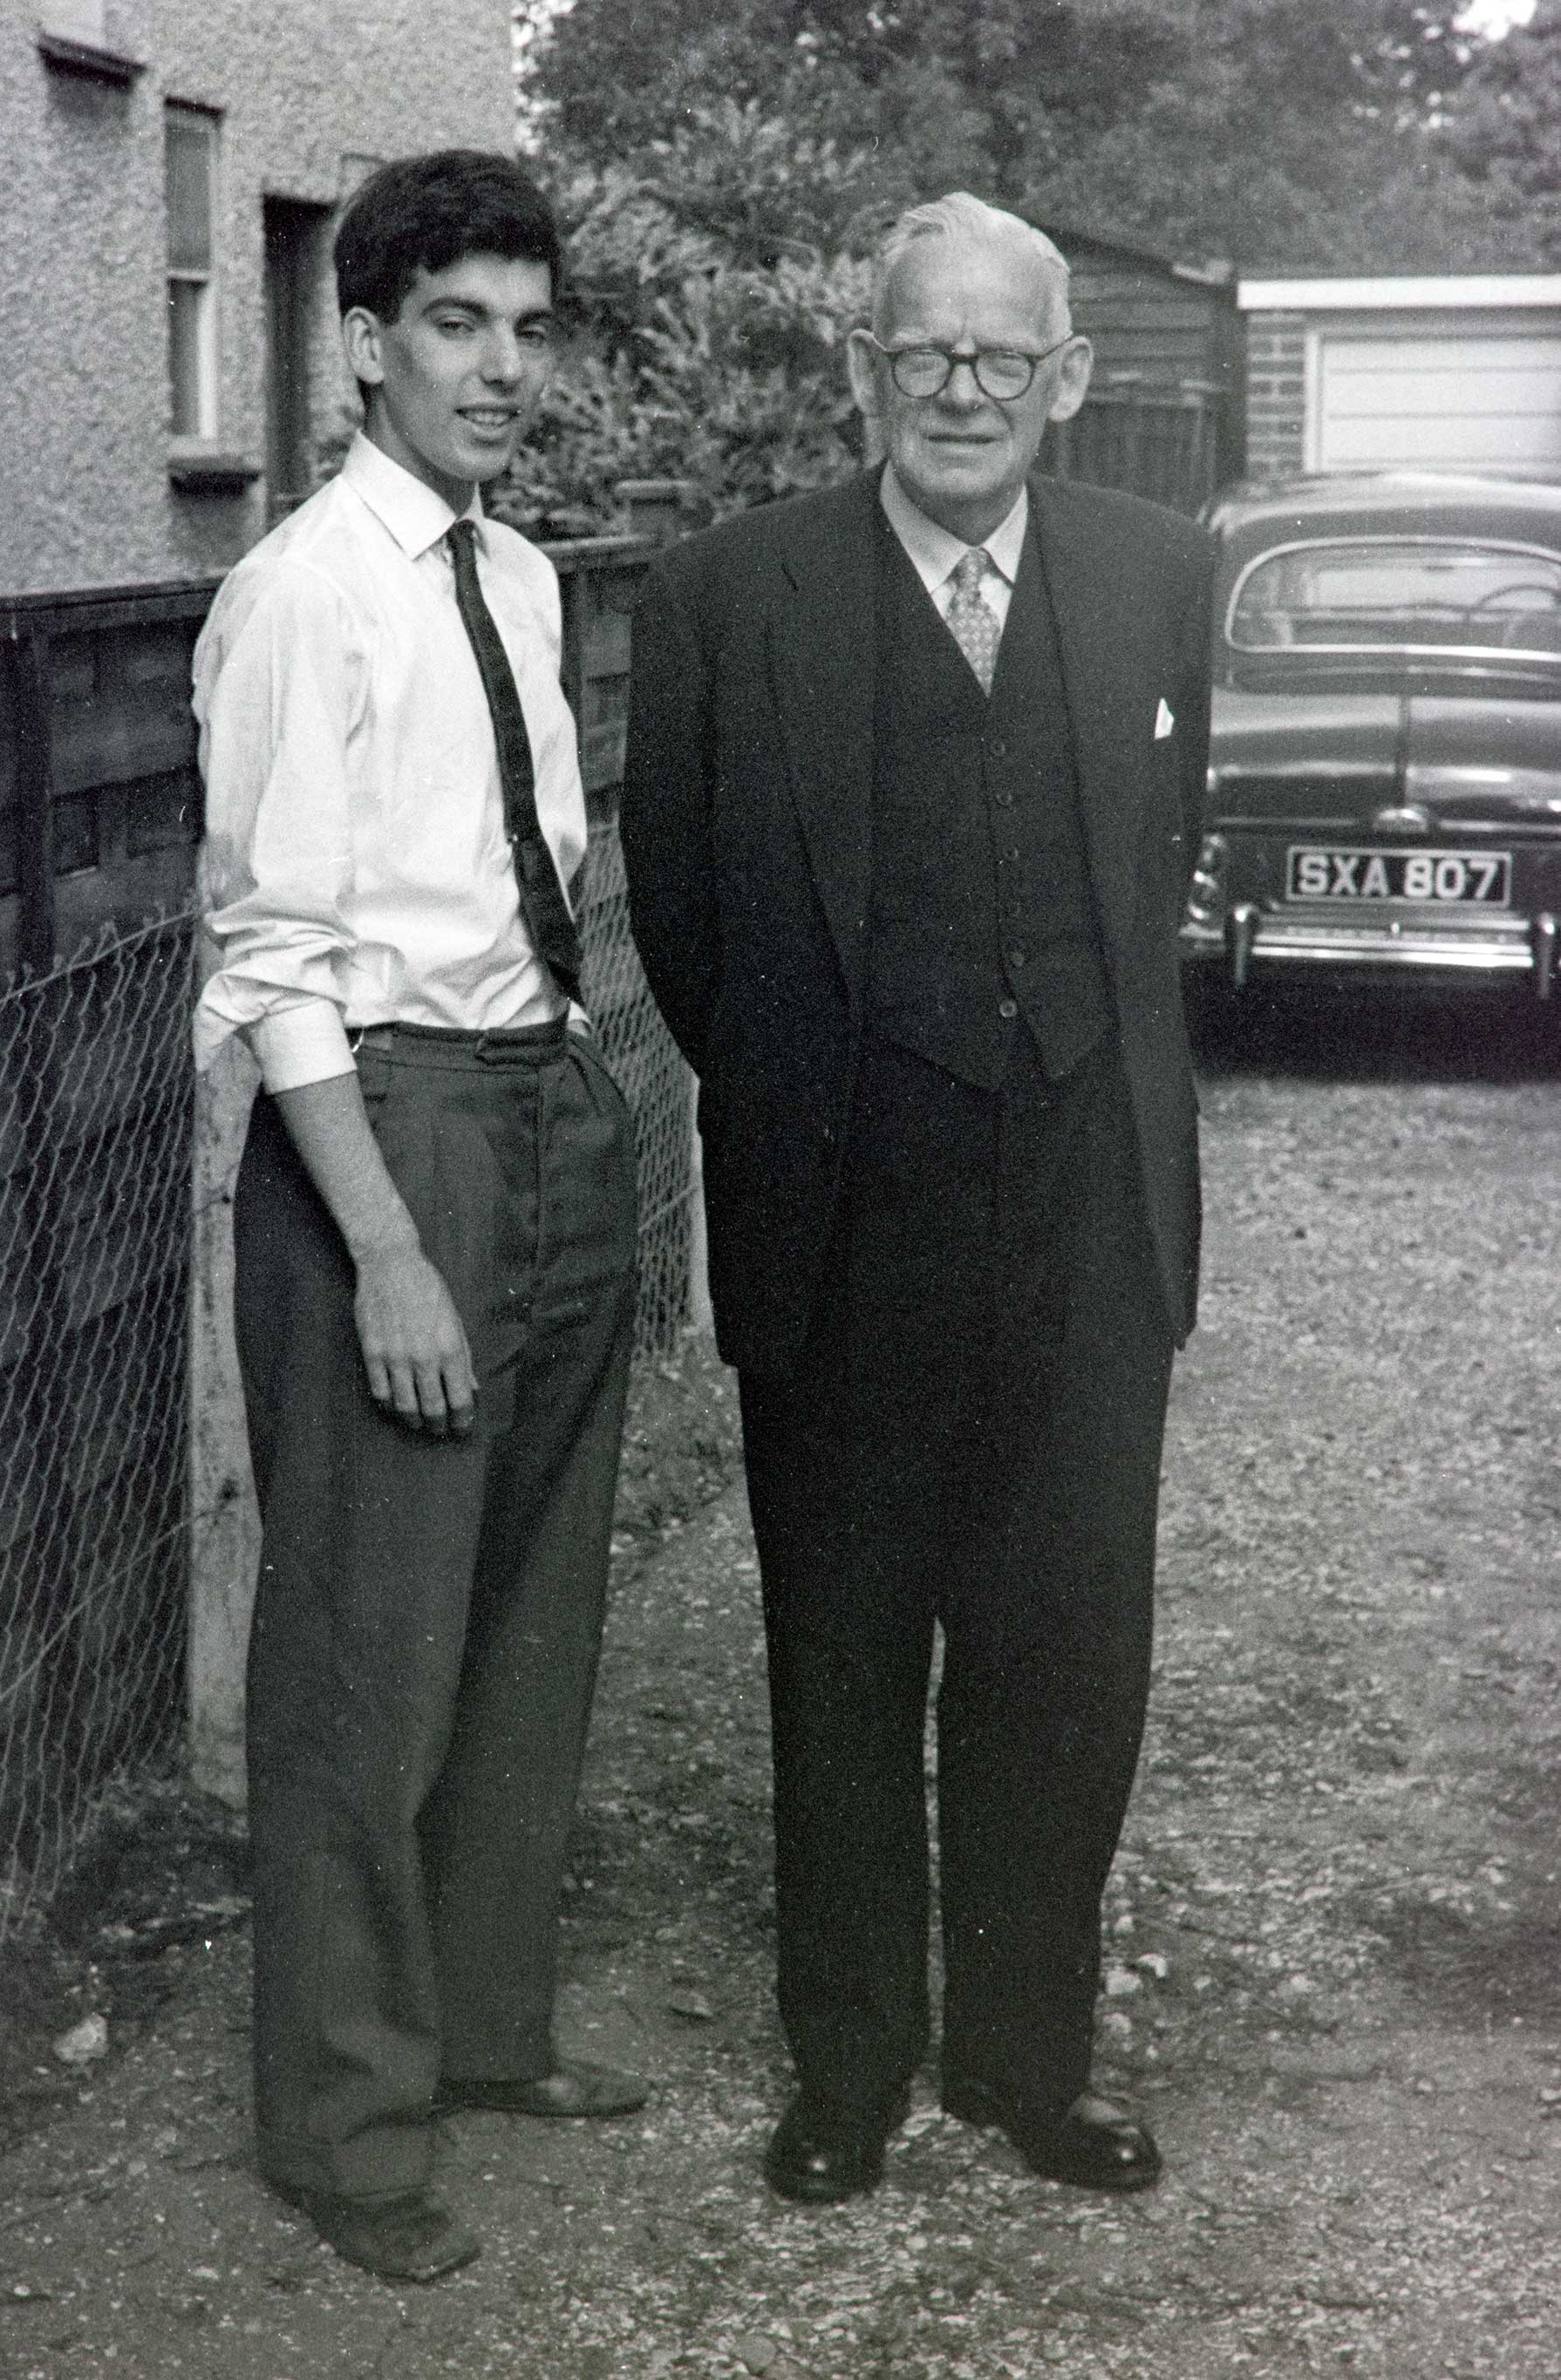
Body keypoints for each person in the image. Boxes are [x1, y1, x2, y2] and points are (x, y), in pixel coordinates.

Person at [620, 194, 1212, 2206]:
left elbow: (1156, 882)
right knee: (847, 1655)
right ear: (860, 369)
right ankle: (852, 2064)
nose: (958, 390)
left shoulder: (1157, 575)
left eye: (1000, 358)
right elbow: (687, 926)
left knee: (1069, 1654)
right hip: (840, 1220)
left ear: (1065, 382)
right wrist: (817, 1112)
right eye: (919, 352)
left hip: (1085, 1228)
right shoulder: (727, 595)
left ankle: (1031, 2060)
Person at [193, 150, 644, 2284]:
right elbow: (272, 962)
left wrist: (586, 1129)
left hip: (539, 1110)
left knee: (532, 1612)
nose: (498, 367)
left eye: (526, 328)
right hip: (388, 1138)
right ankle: (348, 2131)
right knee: (371, 1652)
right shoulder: (303, 589)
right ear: (364, 341)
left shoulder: (521, 581)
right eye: (454, 324)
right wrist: (380, 1243)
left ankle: (476, 2035)